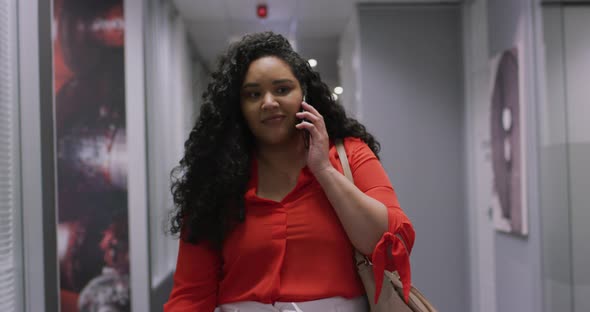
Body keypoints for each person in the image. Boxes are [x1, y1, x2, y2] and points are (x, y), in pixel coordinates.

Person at [164, 32, 415, 312]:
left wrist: (324, 170)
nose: (269, 102)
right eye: (253, 94)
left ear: (304, 94)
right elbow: (191, 296)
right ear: (238, 107)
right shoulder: (214, 182)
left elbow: (388, 245)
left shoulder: (351, 154)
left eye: (282, 89)